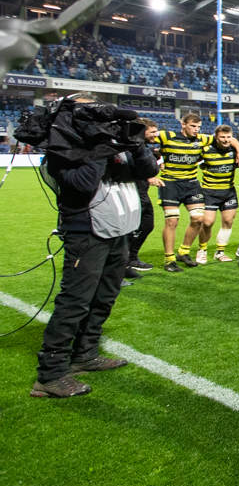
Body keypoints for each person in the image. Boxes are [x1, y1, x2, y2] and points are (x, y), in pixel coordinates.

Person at [31, 102, 159, 398]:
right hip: (87, 233)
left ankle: (85, 355)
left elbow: (148, 170)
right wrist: (101, 148)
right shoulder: (63, 149)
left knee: (105, 297)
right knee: (75, 302)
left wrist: (136, 145)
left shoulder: (114, 143)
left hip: (118, 230)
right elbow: (83, 183)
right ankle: (50, 375)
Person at [153, 112, 239, 271]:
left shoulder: (203, 139)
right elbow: (146, 138)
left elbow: (228, 138)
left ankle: (183, 252)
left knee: (198, 219)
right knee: (172, 221)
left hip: (191, 183)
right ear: (183, 124)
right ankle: (169, 260)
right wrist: (156, 156)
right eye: (192, 126)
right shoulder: (167, 136)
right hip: (170, 184)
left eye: (198, 127)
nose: (196, 129)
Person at [196, 124, 239, 264]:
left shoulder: (236, 149)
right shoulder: (206, 150)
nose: (226, 140)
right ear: (216, 137)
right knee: (207, 222)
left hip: (228, 191)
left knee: (228, 221)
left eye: (228, 137)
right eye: (222, 137)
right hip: (209, 191)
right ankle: (202, 250)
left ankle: (220, 252)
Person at [125, 119, 159, 277]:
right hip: (131, 194)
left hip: (142, 193)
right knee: (127, 231)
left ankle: (131, 258)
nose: (156, 135)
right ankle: (123, 265)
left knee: (146, 225)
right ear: (141, 132)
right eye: (153, 132)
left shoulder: (143, 148)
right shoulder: (129, 149)